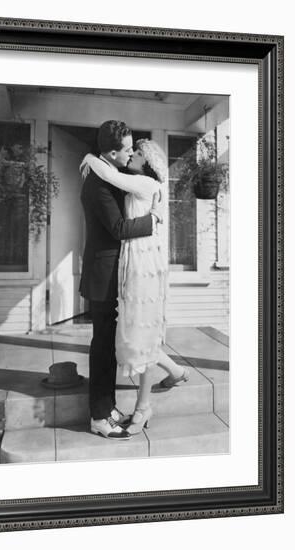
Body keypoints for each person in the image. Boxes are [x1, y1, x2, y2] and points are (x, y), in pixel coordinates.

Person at [80, 138, 190, 436]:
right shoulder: (137, 181)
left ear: (148, 162)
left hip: (143, 260)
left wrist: (90, 157)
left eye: (137, 152)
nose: (132, 154)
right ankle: (176, 373)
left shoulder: (144, 184)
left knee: (143, 327)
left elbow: (111, 176)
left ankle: (144, 407)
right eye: (131, 150)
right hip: (135, 257)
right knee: (139, 328)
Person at [79, 120, 162, 440]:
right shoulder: (98, 183)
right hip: (104, 274)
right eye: (127, 149)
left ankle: (108, 406)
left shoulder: (103, 170)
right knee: (102, 347)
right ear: (112, 153)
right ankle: (100, 417)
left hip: (109, 271)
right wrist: (153, 220)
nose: (131, 153)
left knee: (107, 343)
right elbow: (117, 229)